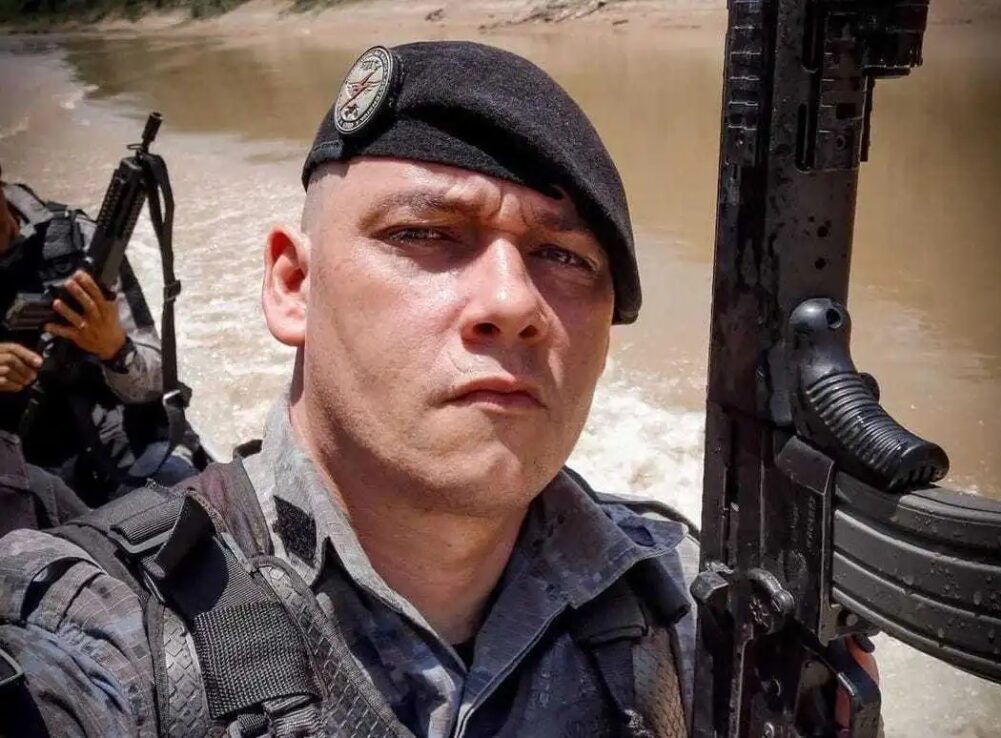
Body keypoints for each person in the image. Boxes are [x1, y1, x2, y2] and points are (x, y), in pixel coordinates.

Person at [0, 42, 873, 737]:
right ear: (293, 286)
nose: (513, 303)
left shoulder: (700, 612)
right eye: (424, 233)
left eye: (563, 256)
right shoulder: (100, 628)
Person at [0, 164, 197, 507]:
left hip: (124, 446)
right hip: (26, 470)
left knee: (185, 502)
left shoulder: (79, 241)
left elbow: (159, 378)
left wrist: (116, 350)